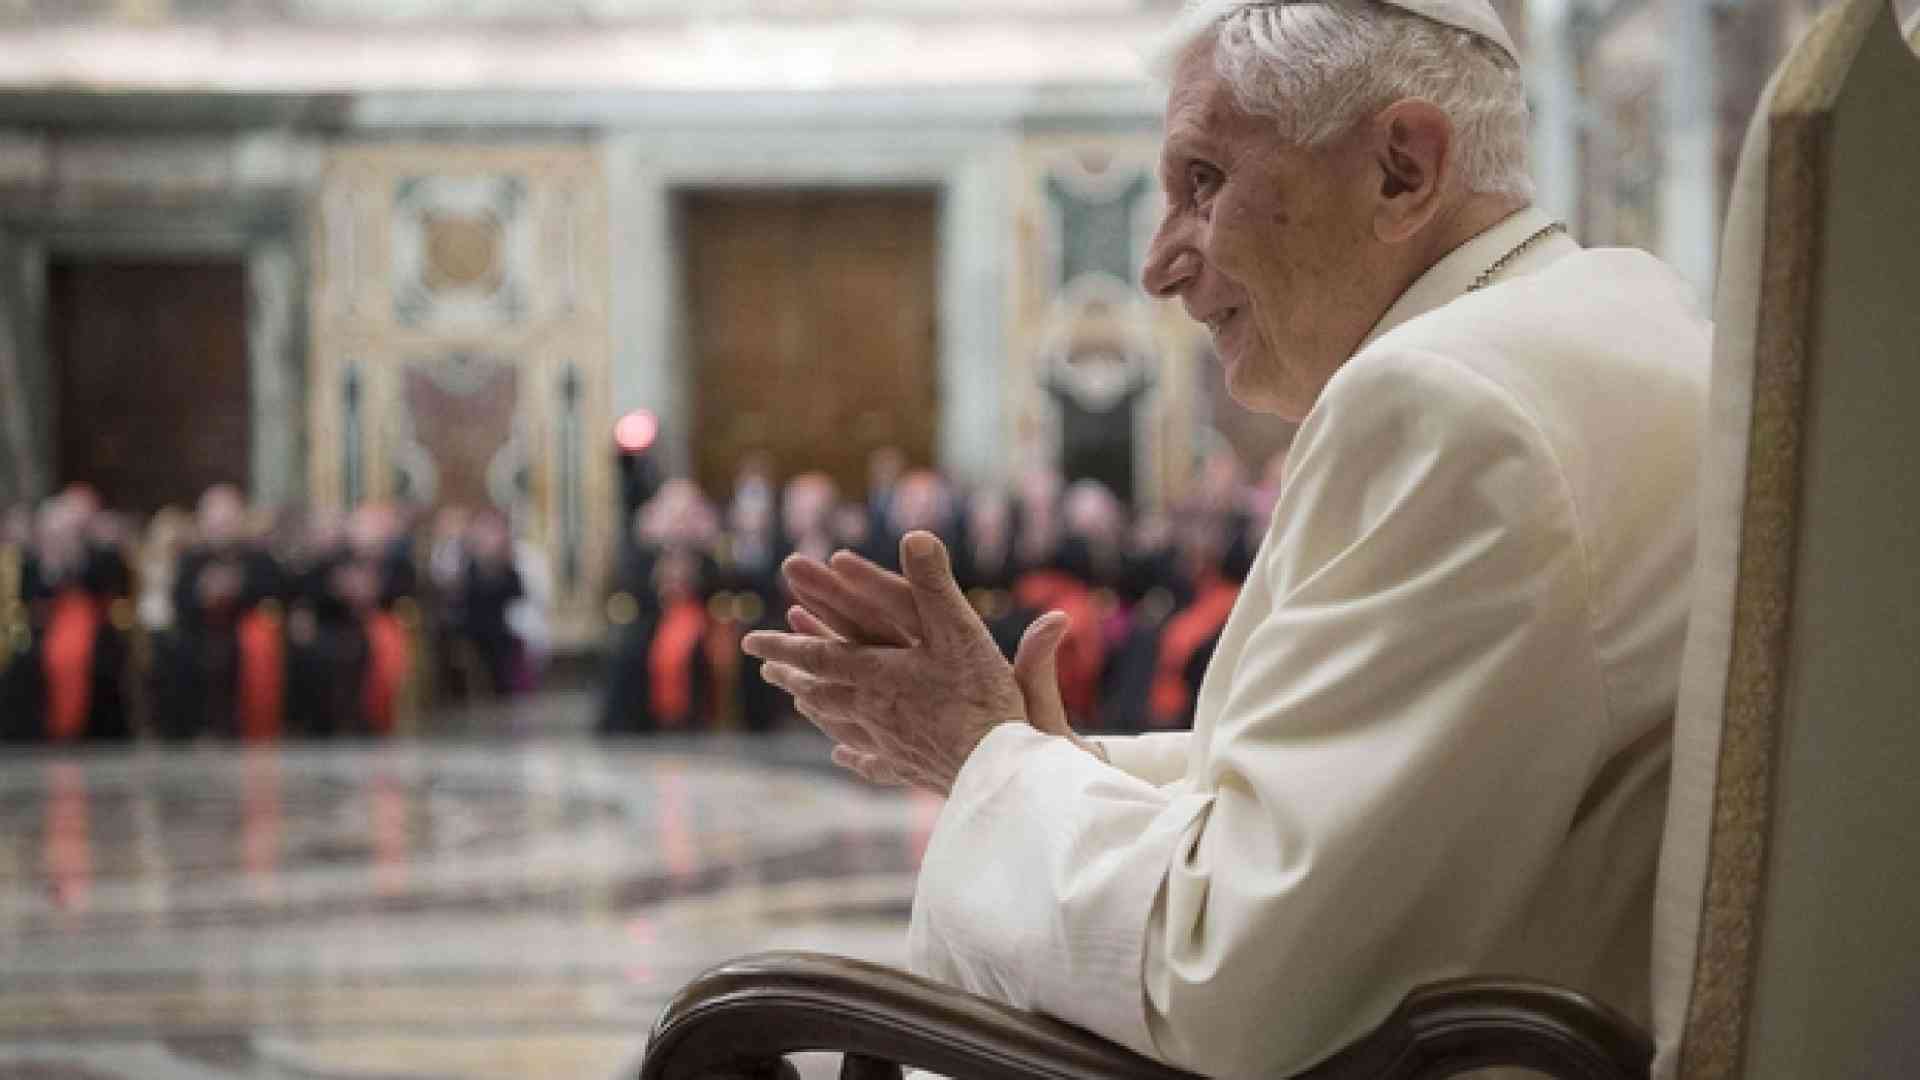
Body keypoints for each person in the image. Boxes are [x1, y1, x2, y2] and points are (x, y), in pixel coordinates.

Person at [743, 1, 1709, 1074]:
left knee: (725, 1024)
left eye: (1203, 183)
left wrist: (986, 761)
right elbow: (1383, 782)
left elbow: (1225, 979)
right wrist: (1047, 757)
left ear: (1402, 169)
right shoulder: (1623, 314)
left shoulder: (1448, 405)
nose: (1159, 265)